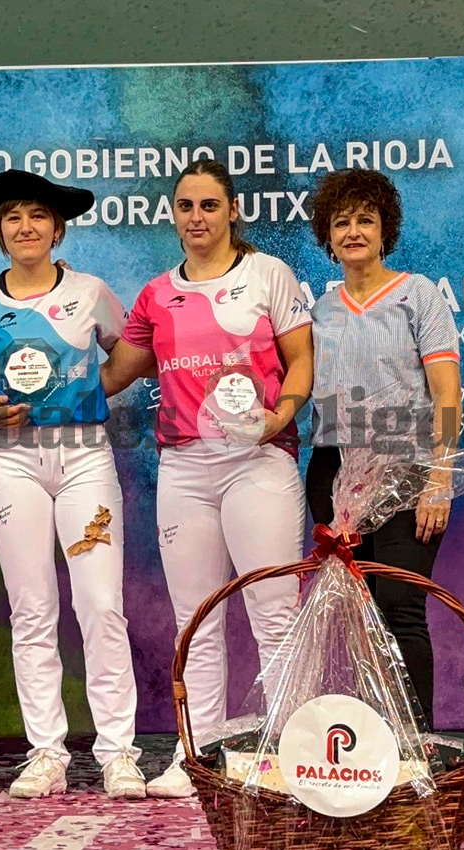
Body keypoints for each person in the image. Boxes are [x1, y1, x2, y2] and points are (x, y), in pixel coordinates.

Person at [101, 159, 313, 798]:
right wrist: (49, 342)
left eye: (209, 205)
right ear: (173, 214)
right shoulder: (155, 294)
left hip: (259, 460)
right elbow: (112, 375)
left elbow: (301, 363)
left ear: (232, 212)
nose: (197, 217)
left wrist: (276, 416)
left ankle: (287, 757)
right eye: (186, 206)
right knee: (196, 618)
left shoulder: (268, 275)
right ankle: (198, 758)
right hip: (184, 468)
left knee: (273, 614)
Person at [0, 170, 146, 799]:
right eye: (12, 218)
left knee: (101, 605)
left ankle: (118, 753)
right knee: (33, 610)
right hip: (11, 464)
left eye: (37, 216)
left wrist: (86, 393)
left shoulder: (91, 292)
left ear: (58, 230)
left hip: (85, 458)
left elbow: (133, 355)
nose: (25, 227)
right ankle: (47, 754)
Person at [305, 168, 462, 730]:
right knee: (360, 614)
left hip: (409, 468)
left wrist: (440, 479)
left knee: (401, 605)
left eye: (364, 219)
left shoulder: (419, 294)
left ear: (384, 229)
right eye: (340, 222)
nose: (353, 231)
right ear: (327, 236)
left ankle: (416, 746)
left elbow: (447, 391)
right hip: (334, 471)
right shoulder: (317, 312)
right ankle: (375, 741)